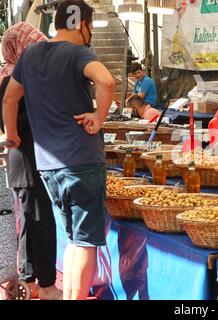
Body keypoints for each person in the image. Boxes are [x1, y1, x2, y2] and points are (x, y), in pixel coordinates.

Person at [2, 0, 115, 300]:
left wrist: (11, 135)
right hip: (81, 162)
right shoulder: (79, 53)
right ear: (83, 24)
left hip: (48, 166)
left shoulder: (29, 57)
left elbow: (9, 100)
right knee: (85, 243)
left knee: (73, 239)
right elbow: (106, 80)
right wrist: (98, 117)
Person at [0, 22, 62, 300]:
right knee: (40, 220)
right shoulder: (9, 80)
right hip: (24, 160)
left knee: (29, 222)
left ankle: (28, 280)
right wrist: (43, 111)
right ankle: (47, 284)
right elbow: (7, 123)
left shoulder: (25, 79)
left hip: (29, 159)